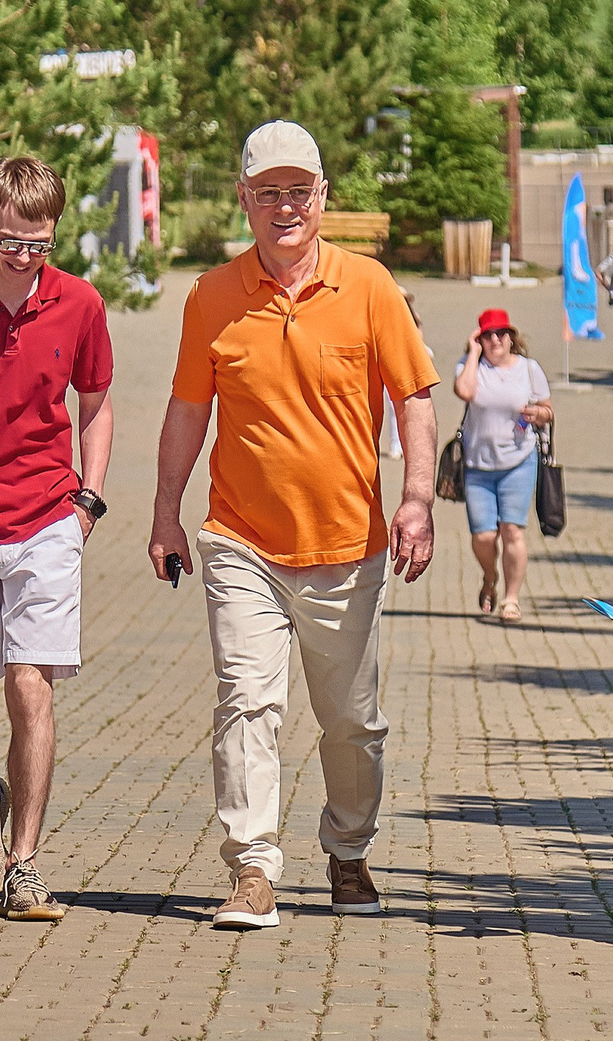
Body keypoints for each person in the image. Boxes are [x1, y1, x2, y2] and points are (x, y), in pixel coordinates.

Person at [152, 120, 439, 930]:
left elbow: (415, 398)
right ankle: (253, 869)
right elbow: (186, 411)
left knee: (351, 721)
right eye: (267, 192)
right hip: (240, 539)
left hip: (349, 547)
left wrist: (415, 498)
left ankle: (349, 852)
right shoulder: (211, 296)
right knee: (247, 702)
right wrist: (165, 512)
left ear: (323, 198)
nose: (284, 207)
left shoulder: (371, 286)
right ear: (244, 200)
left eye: (297, 191)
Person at [0, 154, 113, 923]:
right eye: (10, 239)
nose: (23, 256)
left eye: (38, 244)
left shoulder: (78, 304)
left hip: (46, 520)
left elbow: (98, 401)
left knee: (28, 686)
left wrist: (88, 501)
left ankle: (24, 864)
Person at [452, 307, 552, 623]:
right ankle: (489, 577)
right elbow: (464, 392)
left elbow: (548, 409)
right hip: (478, 466)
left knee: (512, 530)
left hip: (518, 461)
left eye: (501, 334)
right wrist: (472, 352)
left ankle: (511, 599)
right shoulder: (469, 367)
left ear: (511, 337)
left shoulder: (529, 368)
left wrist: (539, 415)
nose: (495, 340)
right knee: (483, 536)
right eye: (488, 335)